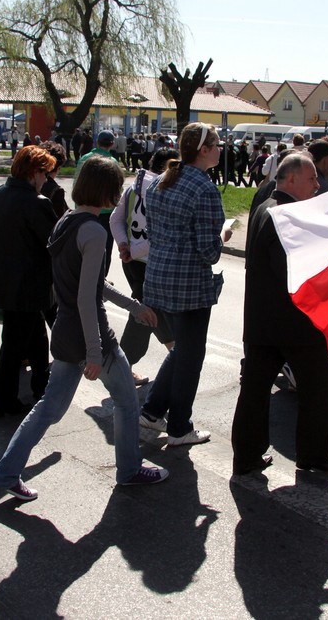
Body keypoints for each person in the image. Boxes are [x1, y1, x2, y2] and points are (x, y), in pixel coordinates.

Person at [0, 155, 169, 500]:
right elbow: (89, 298)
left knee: (48, 409)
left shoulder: (67, 221)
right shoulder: (93, 231)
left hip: (65, 331)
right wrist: (94, 352)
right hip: (93, 335)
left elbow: (89, 285)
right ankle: (130, 470)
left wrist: (135, 307)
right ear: (108, 191)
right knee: (128, 402)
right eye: (116, 187)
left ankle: (5, 473)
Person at [232, 153, 328, 475]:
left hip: (261, 321)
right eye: (312, 178)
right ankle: (314, 457)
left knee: (255, 392)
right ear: (291, 179)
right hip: (294, 324)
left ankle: (247, 457)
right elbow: (293, 274)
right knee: (320, 390)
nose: (317, 185)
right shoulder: (286, 214)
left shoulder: (265, 205)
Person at [139, 122, 224, 447]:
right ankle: (178, 427)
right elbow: (209, 252)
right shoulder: (203, 188)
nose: (219, 149)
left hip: (160, 280)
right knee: (190, 357)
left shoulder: (161, 180)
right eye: (216, 144)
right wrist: (222, 236)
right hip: (189, 287)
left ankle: (151, 411)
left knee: (181, 352)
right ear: (203, 150)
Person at [0, 146, 58, 418]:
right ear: (33, 172)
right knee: (14, 346)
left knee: (35, 337)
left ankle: (41, 387)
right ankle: (3, 403)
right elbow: (53, 242)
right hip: (26, 286)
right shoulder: (37, 202)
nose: (47, 179)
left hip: (3, 282)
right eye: (45, 173)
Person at [109, 148, 178, 383]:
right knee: (143, 312)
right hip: (150, 263)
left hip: (133, 263)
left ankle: (174, 352)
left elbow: (115, 220)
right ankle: (121, 366)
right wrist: (130, 250)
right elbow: (161, 234)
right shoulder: (162, 190)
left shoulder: (134, 186)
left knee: (151, 308)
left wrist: (124, 247)